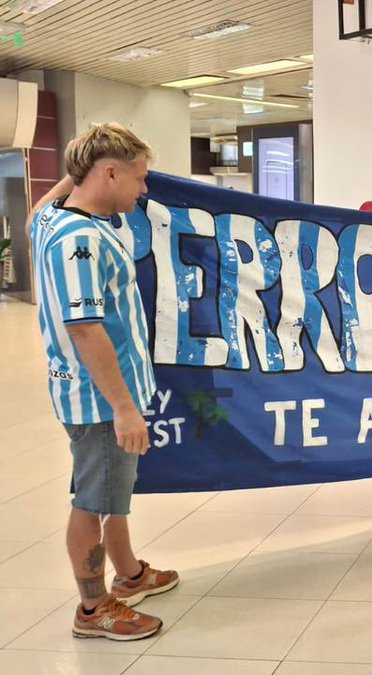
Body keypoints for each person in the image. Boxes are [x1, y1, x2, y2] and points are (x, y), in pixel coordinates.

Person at [31, 123, 178, 641]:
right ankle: (94, 609)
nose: (143, 190)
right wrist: (124, 408)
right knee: (93, 499)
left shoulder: (51, 221)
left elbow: (36, 210)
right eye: (138, 178)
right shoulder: (80, 243)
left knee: (112, 490)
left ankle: (130, 574)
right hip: (98, 399)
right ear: (109, 173)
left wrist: (77, 165)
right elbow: (85, 329)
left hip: (98, 392)